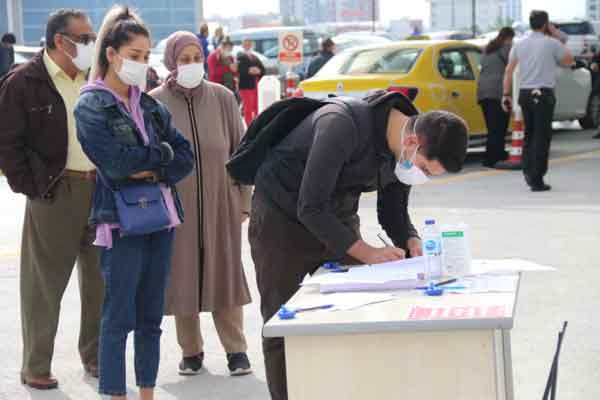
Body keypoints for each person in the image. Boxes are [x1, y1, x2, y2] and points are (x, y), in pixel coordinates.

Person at [248, 90, 468, 400]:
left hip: (337, 216)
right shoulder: (340, 124)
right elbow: (310, 207)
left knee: (356, 311)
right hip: (280, 219)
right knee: (283, 322)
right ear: (411, 142)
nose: (421, 176)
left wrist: (411, 240)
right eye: (425, 168)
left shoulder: (403, 149)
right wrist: (368, 252)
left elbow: (393, 210)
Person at [74, 6, 193, 399]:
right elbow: (115, 163)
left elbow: (185, 157)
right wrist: (159, 158)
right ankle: (115, 393)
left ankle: (146, 392)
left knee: (151, 317)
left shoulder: (150, 105)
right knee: (118, 316)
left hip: (161, 218)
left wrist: (151, 165)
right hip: (121, 222)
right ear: (111, 54)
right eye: (135, 55)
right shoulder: (92, 104)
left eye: (146, 56)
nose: (143, 63)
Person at [0, 9, 102, 390]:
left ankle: (96, 357)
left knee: (100, 282)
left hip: (99, 190)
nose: (93, 44)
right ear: (62, 41)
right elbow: (7, 143)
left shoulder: (93, 79)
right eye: (87, 38)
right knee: (44, 285)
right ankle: (36, 365)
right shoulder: (24, 82)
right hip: (55, 193)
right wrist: (34, 186)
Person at [150, 30, 254, 378]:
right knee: (182, 275)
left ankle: (236, 350)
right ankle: (190, 351)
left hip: (221, 204)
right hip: (175, 207)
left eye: (196, 58)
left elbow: (242, 154)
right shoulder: (155, 102)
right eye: (184, 59)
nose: (192, 65)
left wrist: (244, 200)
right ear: (171, 62)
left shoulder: (223, 98)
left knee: (224, 274)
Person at [503, 10, 574, 191]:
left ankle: (528, 172)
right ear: (545, 24)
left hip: (525, 94)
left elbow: (509, 70)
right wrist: (556, 34)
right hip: (543, 94)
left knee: (530, 134)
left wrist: (506, 94)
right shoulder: (551, 43)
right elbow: (569, 60)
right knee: (542, 137)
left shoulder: (519, 44)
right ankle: (537, 178)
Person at [477, 27, 515, 168]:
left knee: (492, 127)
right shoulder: (507, 48)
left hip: (482, 91)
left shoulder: (488, 48)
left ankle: (497, 153)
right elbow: (513, 67)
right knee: (499, 126)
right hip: (497, 92)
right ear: (509, 37)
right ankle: (491, 158)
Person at [237, 38, 265, 125]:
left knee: (257, 106)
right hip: (246, 86)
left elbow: (262, 69)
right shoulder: (240, 56)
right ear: (242, 45)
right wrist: (252, 70)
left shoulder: (254, 57)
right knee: (248, 107)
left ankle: (257, 124)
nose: (248, 46)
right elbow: (241, 70)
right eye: (246, 44)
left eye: (249, 44)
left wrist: (258, 71)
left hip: (256, 85)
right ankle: (249, 126)